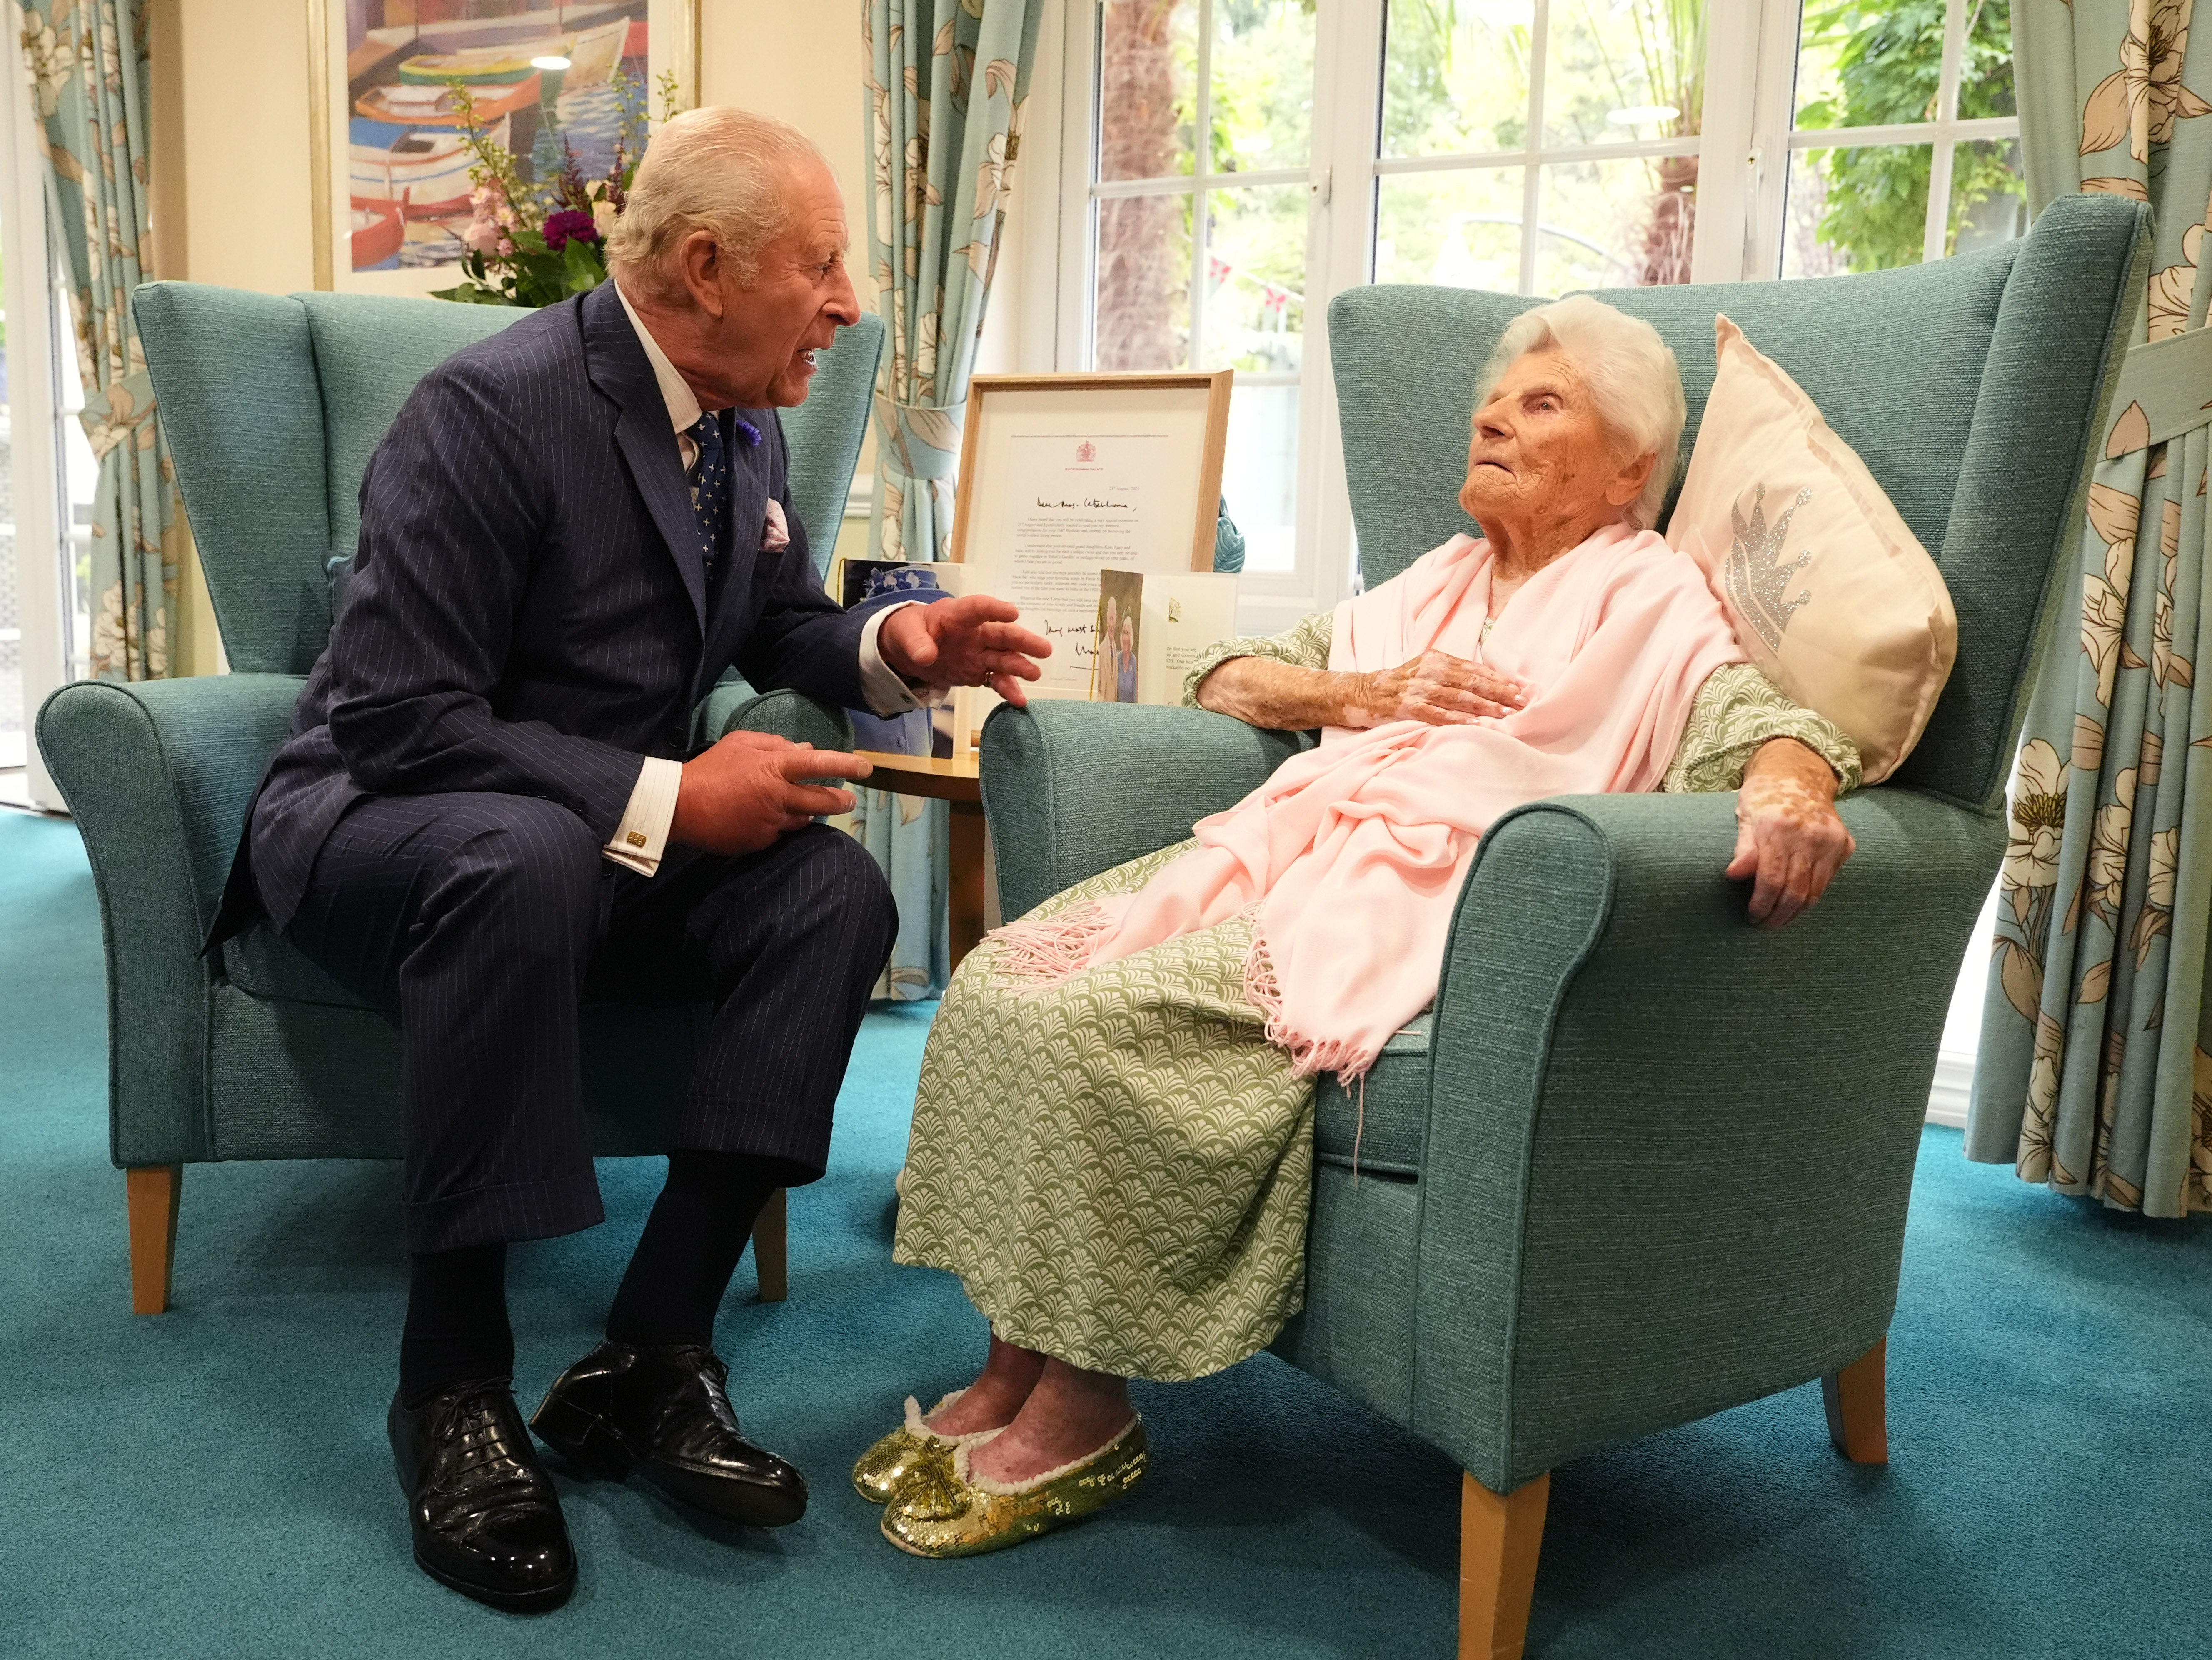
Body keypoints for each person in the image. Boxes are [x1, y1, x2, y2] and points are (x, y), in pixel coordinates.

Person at [207, 108, 1049, 1611]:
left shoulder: (746, 415)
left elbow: (775, 619)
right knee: (524, 855)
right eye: (825, 263)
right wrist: (667, 792)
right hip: (376, 819)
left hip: (573, 828)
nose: (851, 301)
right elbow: (401, 716)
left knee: (828, 894)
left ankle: (652, 1351)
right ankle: (451, 1389)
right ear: (708, 267)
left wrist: (894, 642)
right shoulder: (488, 413)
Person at [859, 296, 1860, 1558]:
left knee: (1097, 1014)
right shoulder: (1434, 584)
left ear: (1630, 470)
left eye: (1542, 405)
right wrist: (1365, 693)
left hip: (1419, 897)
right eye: (1495, 399)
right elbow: (1224, 680)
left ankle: (1086, 1403)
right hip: (1295, 848)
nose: (1493, 414)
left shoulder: (1653, 601)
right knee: (1010, 974)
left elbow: (1759, 722)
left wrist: (1789, 786)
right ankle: (1010, 1364)